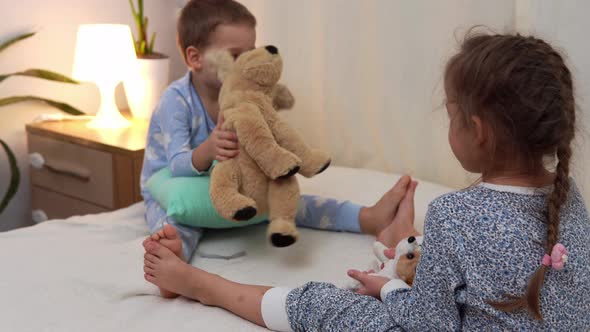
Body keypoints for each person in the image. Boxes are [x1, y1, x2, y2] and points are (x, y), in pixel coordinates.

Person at [142, 30, 590, 330]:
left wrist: (391, 287)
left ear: (478, 130)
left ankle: (201, 285)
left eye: (452, 116)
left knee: (325, 303)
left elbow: (426, 325)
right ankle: (401, 242)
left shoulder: (455, 213)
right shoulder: (568, 195)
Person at [140, 0, 414, 299]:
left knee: (291, 198)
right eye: (235, 56)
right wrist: (209, 148)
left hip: (230, 181)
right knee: (177, 222)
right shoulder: (176, 102)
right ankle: (173, 263)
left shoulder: (245, 95)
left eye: (252, 52)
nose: (247, 63)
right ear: (195, 58)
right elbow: (177, 164)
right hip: (178, 187)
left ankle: (367, 217)